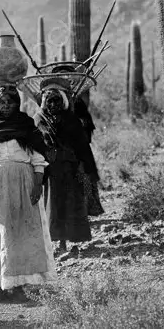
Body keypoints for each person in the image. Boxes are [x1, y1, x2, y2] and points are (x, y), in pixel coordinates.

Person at [0, 85, 56, 304]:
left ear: (17, 104)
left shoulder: (27, 128)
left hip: (22, 187)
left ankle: (17, 288)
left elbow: (38, 159)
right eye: (2, 102)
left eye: (10, 102)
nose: (6, 106)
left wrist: (37, 185)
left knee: (19, 233)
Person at [35, 79, 100, 253]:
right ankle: (56, 242)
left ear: (63, 101)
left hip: (71, 170)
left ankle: (69, 240)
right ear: (44, 102)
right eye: (49, 101)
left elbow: (82, 146)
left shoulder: (71, 120)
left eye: (57, 100)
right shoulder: (39, 119)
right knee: (54, 205)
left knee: (71, 204)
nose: (53, 104)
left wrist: (86, 169)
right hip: (51, 171)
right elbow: (35, 144)